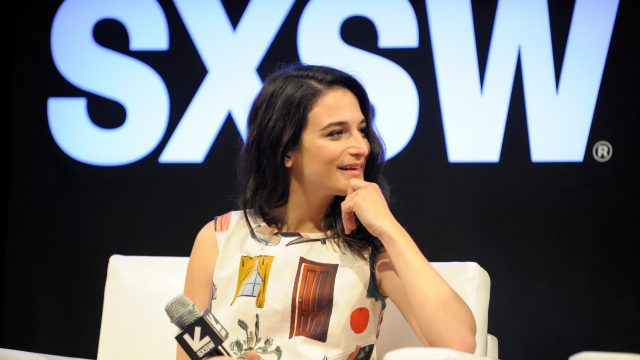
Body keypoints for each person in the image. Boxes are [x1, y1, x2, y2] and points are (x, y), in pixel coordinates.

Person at [179, 64, 476, 360]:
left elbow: (459, 344)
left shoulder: (370, 249)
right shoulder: (220, 238)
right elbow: (188, 354)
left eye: (362, 130)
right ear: (286, 150)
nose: (361, 146)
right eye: (337, 133)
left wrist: (389, 228)